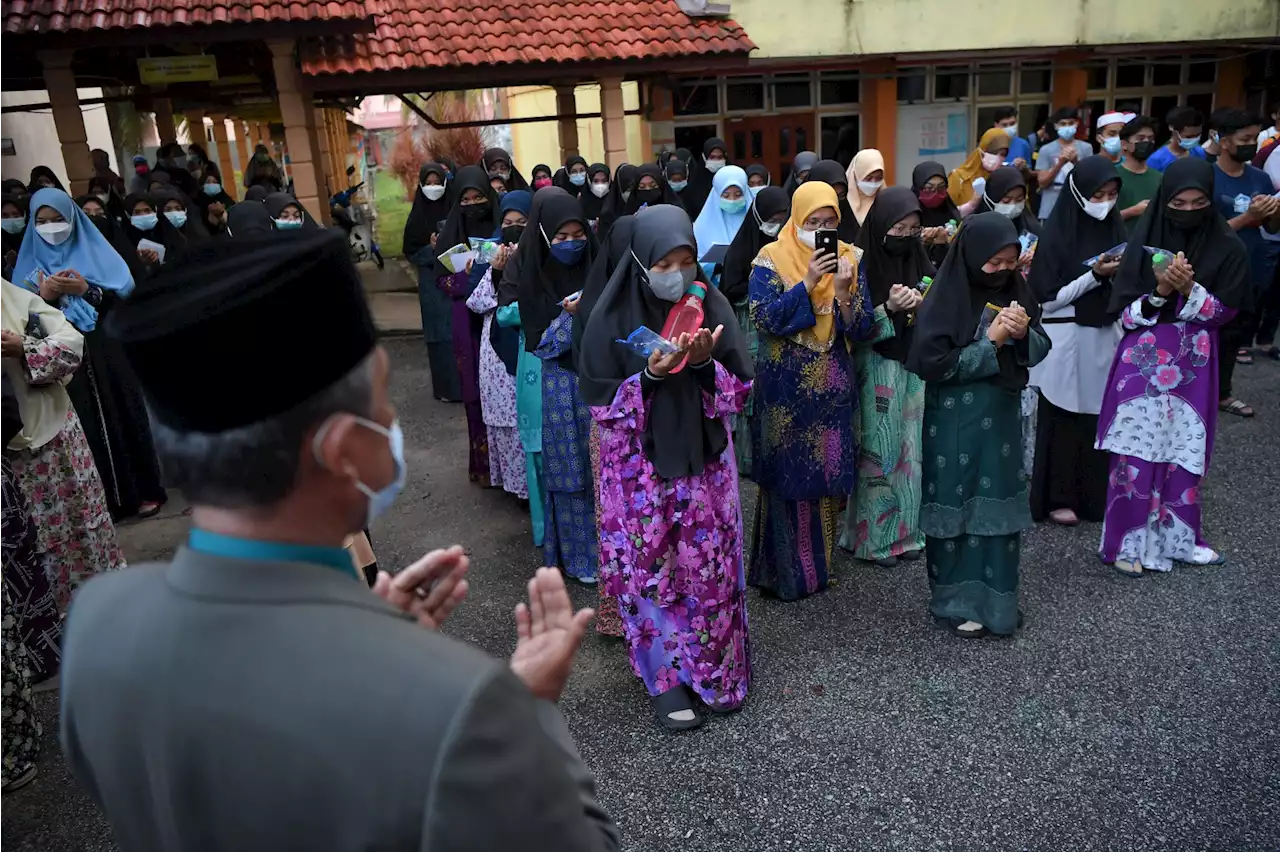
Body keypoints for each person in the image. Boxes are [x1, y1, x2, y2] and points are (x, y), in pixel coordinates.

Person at [61, 228, 620, 850]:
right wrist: (530, 716)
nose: (393, 420)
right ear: (346, 451)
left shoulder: (97, 624)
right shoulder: (457, 703)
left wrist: (363, 638)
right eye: (384, 399)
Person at [578, 204, 753, 729]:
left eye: (687, 261)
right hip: (641, 479)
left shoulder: (712, 307)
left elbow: (739, 390)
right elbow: (602, 407)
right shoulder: (609, 320)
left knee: (709, 572)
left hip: (704, 472)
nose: (677, 274)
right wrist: (649, 378)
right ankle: (667, 682)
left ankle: (716, 670)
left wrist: (701, 364)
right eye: (664, 263)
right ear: (638, 262)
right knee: (655, 573)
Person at [1097, 158, 1250, 575]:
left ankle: (1180, 539)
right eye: (1178, 202)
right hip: (1141, 363)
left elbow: (1227, 313)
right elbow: (1125, 316)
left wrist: (1191, 289)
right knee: (1136, 451)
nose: (1187, 210)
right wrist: (1162, 290)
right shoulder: (1142, 243)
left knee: (1182, 450)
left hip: (1194, 364)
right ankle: (1125, 544)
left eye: (1198, 202)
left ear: (1210, 201)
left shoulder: (1228, 247)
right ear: (1165, 201)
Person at [905, 212, 1049, 638]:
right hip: (951, 423)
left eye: (1011, 263)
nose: (1003, 272)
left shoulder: (1018, 293)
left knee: (996, 513)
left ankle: (997, 605)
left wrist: (1023, 334)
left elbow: (1040, 348)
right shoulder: (943, 300)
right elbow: (937, 366)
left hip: (999, 422)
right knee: (956, 508)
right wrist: (993, 344)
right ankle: (954, 602)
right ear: (970, 257)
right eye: (994, 263)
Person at [746, 182, 871, 601]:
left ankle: (819, 570)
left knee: (828, 477)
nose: (822, 229)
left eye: (830, 221)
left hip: (832, 386)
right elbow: (763, 318)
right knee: (787, 477)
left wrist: (842, 295)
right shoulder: (770, 259)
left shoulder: (851, 258)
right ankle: (782, 573)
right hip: (784, 390)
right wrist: (808, 282)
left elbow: (863, 328)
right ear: (796, 221)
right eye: (812, 222)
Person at [15, 188, 167, 522]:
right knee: (83, 427)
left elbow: (126, 300)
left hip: (106, 349)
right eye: (42, 221)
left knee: (124, 414)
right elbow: (24, 324)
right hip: (64, 361)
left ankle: (143, 491)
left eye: (58, 220)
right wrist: (46, 298)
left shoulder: (100, 252)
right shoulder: (28, 266)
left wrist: (89, 291)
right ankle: (102, 503)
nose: (51, 227)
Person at [0, 275, 124, 611]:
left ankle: (105, 606)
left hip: (58, 438)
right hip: (9, 456)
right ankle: (52, 624)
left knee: (83, 520)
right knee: (33, 541)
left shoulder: (19, 301)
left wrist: (23, 348)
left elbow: (71, 344)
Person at [1025, 156, 1126, 526]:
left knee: (1099, 419)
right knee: (1064, 419)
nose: (1105, 201)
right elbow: (1047, 298)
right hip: (1067, 335)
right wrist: (1094, 276)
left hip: (1105, 333)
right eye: (1097, 194)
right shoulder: (1057, 234)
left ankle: (1095, 496)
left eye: (1112, 194)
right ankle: (1058, 498)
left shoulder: (1117, 230)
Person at [838, 187, 928, 567]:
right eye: (898, 228)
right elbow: (853, 328)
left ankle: (906, 533)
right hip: (876, 366)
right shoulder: (858, 264)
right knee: (880, 452)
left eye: (912, 229)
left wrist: (924, 299)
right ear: (880, 227)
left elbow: (937, 294)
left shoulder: (919, 258)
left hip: (912, 364)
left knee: (911, 453)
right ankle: (872, 539)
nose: (905, 236)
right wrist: (887, 308)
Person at [519, 190, 600, 583]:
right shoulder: (534, 279)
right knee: (571, 476)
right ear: (544, 238)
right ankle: (580, 559)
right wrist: (573, 318)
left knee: (602, 469)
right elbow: (541, 343)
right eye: (561, 237)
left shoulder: (599, 267)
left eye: (577, 234)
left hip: (599, 380)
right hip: (561, 387)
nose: (572, 244)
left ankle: (611, 553)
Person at [436, 166, 502, 484]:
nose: (474, 203)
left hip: (501, 318)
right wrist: (470, 276)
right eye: (466, 198)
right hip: (467, 322)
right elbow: (443, 280)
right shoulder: (453, 234)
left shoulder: (505, 225)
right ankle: (484, 465)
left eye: (479, 197)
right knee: (475, 392)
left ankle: (509, 468)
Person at [1210, 108, 1280, 406]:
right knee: (1208, 337)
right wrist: (1246, 217)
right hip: (1214, 269)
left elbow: (1271, 227)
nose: (1252, 144)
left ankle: (1223, 394)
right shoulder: (1206, 177)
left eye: (1254, 137)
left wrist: (1272, 212)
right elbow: (1203, 232)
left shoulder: (1261, 178)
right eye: (1245, 139)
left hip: (1251, 265)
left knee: (1234, 336)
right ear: (1223, 141)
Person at [466, 190, 532, 500]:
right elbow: (476, 302)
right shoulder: (489, 254)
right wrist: (496, 270)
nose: (514, 227)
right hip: (496, 347)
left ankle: (536, 488)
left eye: (523, 221)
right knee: (507, 421)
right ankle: (519, 489)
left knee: (530, 416)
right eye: (508, 222)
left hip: (530, 346)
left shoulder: (543, 252)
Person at [721, 186, 788, 478]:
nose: (778, 223)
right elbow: (729, 288)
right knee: (751, 392)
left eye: (783, 217)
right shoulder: (741, 248)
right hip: (748, 330)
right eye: (772, 217)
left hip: (781, 331)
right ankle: (748, 460)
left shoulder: (789, 246)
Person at [402, 162, 463, 401]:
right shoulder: (417, 215)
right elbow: (410, 249)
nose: (433, 187)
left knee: (461, 332)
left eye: (437, 182)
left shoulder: (455, 210)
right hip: (431, 284)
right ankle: (446, 390)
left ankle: (467, 387)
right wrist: (431, 249)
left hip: (457, 278)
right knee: (439, 336)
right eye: (428, 183)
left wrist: (449, 248)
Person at [1034, 108, 1095, 220]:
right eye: (1063, 124)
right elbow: (1042, 183)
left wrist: (1076, 162)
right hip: (1051, 204)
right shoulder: (1046, 149)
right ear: (1056, 126)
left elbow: (1089, 180)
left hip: (1077, 203)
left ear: (1076, 124)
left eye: (1070, 123)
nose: (1067, 127)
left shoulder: (1086, 148)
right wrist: (1060, 164)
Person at [692, 164, 750, 275]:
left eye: (738, 195)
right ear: (716, 194)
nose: (732, 200)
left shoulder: (755, 221)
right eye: (726, 195)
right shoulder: (701, 227)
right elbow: (693, 263)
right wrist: (716, 266)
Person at [1115, 115, 1163, 235]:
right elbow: (1101, 220)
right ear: (1124, 144)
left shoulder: (1159, 178)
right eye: (1140, 138)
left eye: (1150, 138)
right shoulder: (1112, 176)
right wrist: (1132, 211)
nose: (1146, 142)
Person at [912, 162, 962, 267]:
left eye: (941, 188)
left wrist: (943, 244)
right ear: (918, 188)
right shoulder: (909, 215)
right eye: (928, 188)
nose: (935, 193)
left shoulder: (951, 213)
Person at [122, 191, 186, 271]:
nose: (143, 215)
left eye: (147, 210)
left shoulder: (169, 232)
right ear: (128, 215)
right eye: (137, 212)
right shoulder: (124, 241)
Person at [949, 128, 1012, 209]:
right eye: (993, 152)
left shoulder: (1003, 178)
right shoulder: (958, 177)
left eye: (1003, 154)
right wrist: (969, 206)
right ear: (982, 150)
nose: (998, 157)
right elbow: (946, 212)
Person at [807, 159, 859, 242]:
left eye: (841, 196)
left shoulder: (850, 227)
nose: (835, 203)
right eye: (830, 196)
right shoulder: (789, 239)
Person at [1146, 106, 1207, 173]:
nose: (1194, 139)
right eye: (1189, 137)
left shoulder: (1200, 152)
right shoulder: (1157, 160)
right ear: (1173, 130)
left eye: (1198, 135)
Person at [844, 149, 885, 241]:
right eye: (868, 178)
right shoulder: (842, 201)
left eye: (878, 178)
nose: (873, 183)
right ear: (856, 175)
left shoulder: (887, 201)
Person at [685, 137, 728, 220]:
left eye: (719, 157)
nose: (716, 161)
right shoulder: (694, 186)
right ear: (704, 157)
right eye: (712, 157)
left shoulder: (732, 179)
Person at [596, 163, 636, 235]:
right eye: (628, 189)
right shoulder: (608, 214)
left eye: (634, 188)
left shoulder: (645, 208)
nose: (631, 193)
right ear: (619, 188)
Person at [195, 168, 235, 238]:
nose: (211, 184)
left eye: (215, 182)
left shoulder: (227, 201)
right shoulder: (197, 203)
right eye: (208, 182)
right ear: (202, 185)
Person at [1, 193, 26, 280]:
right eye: (5, 216)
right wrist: (9, 266)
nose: (11, 219)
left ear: (24, 215)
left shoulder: (34, 241)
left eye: (16, 215)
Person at [580, 163, 611, 229]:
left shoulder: (615, 201)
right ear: (589, 181)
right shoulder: (581, 203)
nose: (600, 185)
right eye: (596, 181)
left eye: (604, 181)